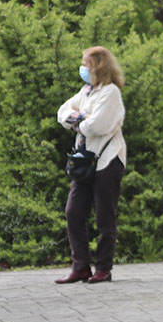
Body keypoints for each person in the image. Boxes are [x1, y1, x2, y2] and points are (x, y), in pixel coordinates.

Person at [54, 47, 127, 284]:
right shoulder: (87, 91)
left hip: (107, 159)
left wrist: (79, 120)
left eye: (86, 63)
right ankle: (81, 266)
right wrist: (80, 118)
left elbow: (98, 126)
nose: (83, 67)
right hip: (85, 160)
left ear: (98, 66)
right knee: (74, 212)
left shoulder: (110, 93)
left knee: (104, 215)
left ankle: (103, 268)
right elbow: (62, 112)